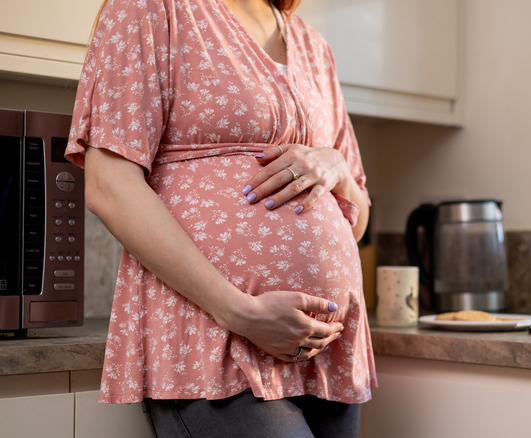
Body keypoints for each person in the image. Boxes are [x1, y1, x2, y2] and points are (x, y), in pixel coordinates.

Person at [65, 0, 376, 436]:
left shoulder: (313, 46)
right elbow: (109, 186)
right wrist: (241, 313)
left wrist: (337, 169)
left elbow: (355, 220)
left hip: (327, 356)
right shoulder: (151, 9)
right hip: (212, 344)